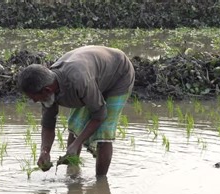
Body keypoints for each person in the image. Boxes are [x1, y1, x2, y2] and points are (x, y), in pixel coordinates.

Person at [17, 45, 135, 176]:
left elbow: (100, 115)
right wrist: (45, 151)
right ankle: (73, 176)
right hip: (93, 75)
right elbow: (48, 124)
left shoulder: (79, 81)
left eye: (34, 98)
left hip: (119, 74)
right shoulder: (48, 85)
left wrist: (77, 143)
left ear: (47, 90)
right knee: (75, 125)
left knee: (104, 134)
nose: (34, 102)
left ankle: (101, 181)